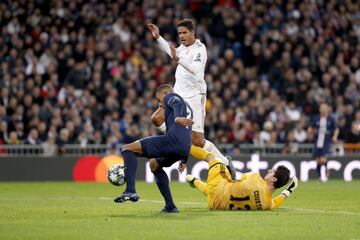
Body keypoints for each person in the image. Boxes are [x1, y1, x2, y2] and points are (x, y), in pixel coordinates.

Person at [147, 19, 236, 179]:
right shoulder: (181, 49)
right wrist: (158, 37)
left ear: (192, 32)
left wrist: (178, 59)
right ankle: (176, 140)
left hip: (195, 95)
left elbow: (195, 69)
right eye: (179, 33)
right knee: (157, 118)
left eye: (184, 33)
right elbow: (171, 51)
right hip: (178, 95)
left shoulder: (200, 49)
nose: (181, 36)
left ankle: (225, 162)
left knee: (197, 140)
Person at [114, 84, 193, 213]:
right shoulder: (188, 107)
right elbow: (187, 135)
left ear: (165, 93)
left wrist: (177, 117)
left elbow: (175, 102)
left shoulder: (171, 96)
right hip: (183, 147)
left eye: (159, 99)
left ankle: (130, 191)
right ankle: (170, 206)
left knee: (127, 149)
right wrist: (184, 159)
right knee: (154, 165)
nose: (160, 103)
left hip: (172, 140)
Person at [186, 146, 298, 210]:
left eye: (272, 171)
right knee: (213, 190)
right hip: (215, 205)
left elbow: (236, 179)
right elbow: (275, 203)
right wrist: (288, 191)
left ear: (273, 179)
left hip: (218, 186)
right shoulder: (267, 204)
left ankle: (184, 147)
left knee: (212, 158)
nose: (269, 171)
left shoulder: (255, 178)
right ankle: (194, 180)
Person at [307, 102, 339, 181]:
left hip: (326, 142)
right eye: (322, 108)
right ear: (319, 109)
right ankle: (320, 176)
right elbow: (311, 128)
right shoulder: (316, 118)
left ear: (328, 109)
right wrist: (309, 132)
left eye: (325, 107)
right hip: (317, 141)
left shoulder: (331, 119)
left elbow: (336, 129)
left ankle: (326, 171)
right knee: (317, 160)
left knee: (322, 159)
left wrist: (335, 136)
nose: (323, 109)